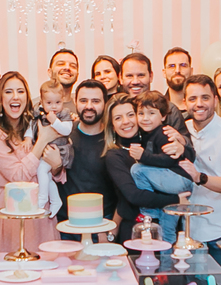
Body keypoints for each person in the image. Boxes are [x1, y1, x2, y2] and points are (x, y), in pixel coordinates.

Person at [0, 71, 63, 253]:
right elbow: (17, 176)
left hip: (42, 205)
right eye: (8, 91)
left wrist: (57, 165)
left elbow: (57, 172)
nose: (15, 96)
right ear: (0, 98)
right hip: (13, 207)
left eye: (20, 91)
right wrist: (42, 141)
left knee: (46, 261)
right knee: (14, 262)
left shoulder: (36, 123)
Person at [176, 75, 221, 267]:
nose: (199, 104)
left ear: (216, 100)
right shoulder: (182, 131)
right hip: (189, 231)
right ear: (185, 102)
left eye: (205, 98)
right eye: (193, 99)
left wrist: (199, 177)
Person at [102, 94, 186, 243]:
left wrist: (182, 145)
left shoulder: (155, 141)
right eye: (118, 118)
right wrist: (176, 199)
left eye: (130, 115)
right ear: (112, 125)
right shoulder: (115, 156)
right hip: (136, 229)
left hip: (169, 225)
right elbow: (134, 195)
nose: (126, 121)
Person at [128, 90, 195, 243]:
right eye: (141, 113)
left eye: (151, 113)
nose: (145, 118)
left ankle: (149, 211)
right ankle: (167, 255)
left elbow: (169, 160)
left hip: (179, 179)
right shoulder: (147, 134)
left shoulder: (164, 133)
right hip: (173, 186)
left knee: (137, 169)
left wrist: (143, 156)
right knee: (167, 230)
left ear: (163, 116)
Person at [60, 80, 115, 228]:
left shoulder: (114, 139)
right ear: (75, 102)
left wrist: (110, 231)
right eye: (83, 100)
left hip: (103, 223)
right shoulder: (63, 135)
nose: (89, 106)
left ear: (105, 103)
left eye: (95, 101)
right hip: (66, 223)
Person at [35, 79, 74, 216]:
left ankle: (42, 199)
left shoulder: (64, 114)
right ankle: (56, 200)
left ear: (63, 100)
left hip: (60, 151)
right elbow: (32, 126)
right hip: (46, 150)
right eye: (49, 103)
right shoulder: (39, 113)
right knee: (46, 175)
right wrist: (28, 138)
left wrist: (55, 121)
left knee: (41, 169)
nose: (54, 107)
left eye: (58, 102)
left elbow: (66, 130)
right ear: (42, 102)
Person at [121, 53, 185, 130]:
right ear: (120, 78)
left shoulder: (169, 109)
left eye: (141, 75)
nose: (135, 81)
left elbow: (183, 136)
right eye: (129, 76)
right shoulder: (115, 109)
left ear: (151, 76)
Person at [40, 48, 80, 114]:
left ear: (77, 75)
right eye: (61, 64)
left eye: (73, 66)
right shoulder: (34, 107)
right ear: (50, 72)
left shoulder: (82, 108)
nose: (67, 68)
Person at [162, 47, 193, 112]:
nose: (177, 70)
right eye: (172, 66)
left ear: (191, 71)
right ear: (164, 72)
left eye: (183, 65)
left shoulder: (199, 109)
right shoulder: (158, 108)